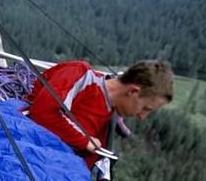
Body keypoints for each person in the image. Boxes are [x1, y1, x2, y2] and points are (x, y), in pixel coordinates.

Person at [28, 58, 174, 155]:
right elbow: (43, 111)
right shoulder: (79, 73)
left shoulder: (112, 112)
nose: (142, 116)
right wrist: (85, 140)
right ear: (132, 91)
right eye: (146, 108)